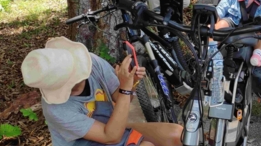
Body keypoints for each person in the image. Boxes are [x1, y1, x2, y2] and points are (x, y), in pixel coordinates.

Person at [21, 36, 183, 146]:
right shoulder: (56, 108)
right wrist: (125, 89)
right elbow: (111, 137)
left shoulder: (92, 63)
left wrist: (129, 83)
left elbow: (119, 99)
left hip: (111, 126)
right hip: (85, 141)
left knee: (177, 134)